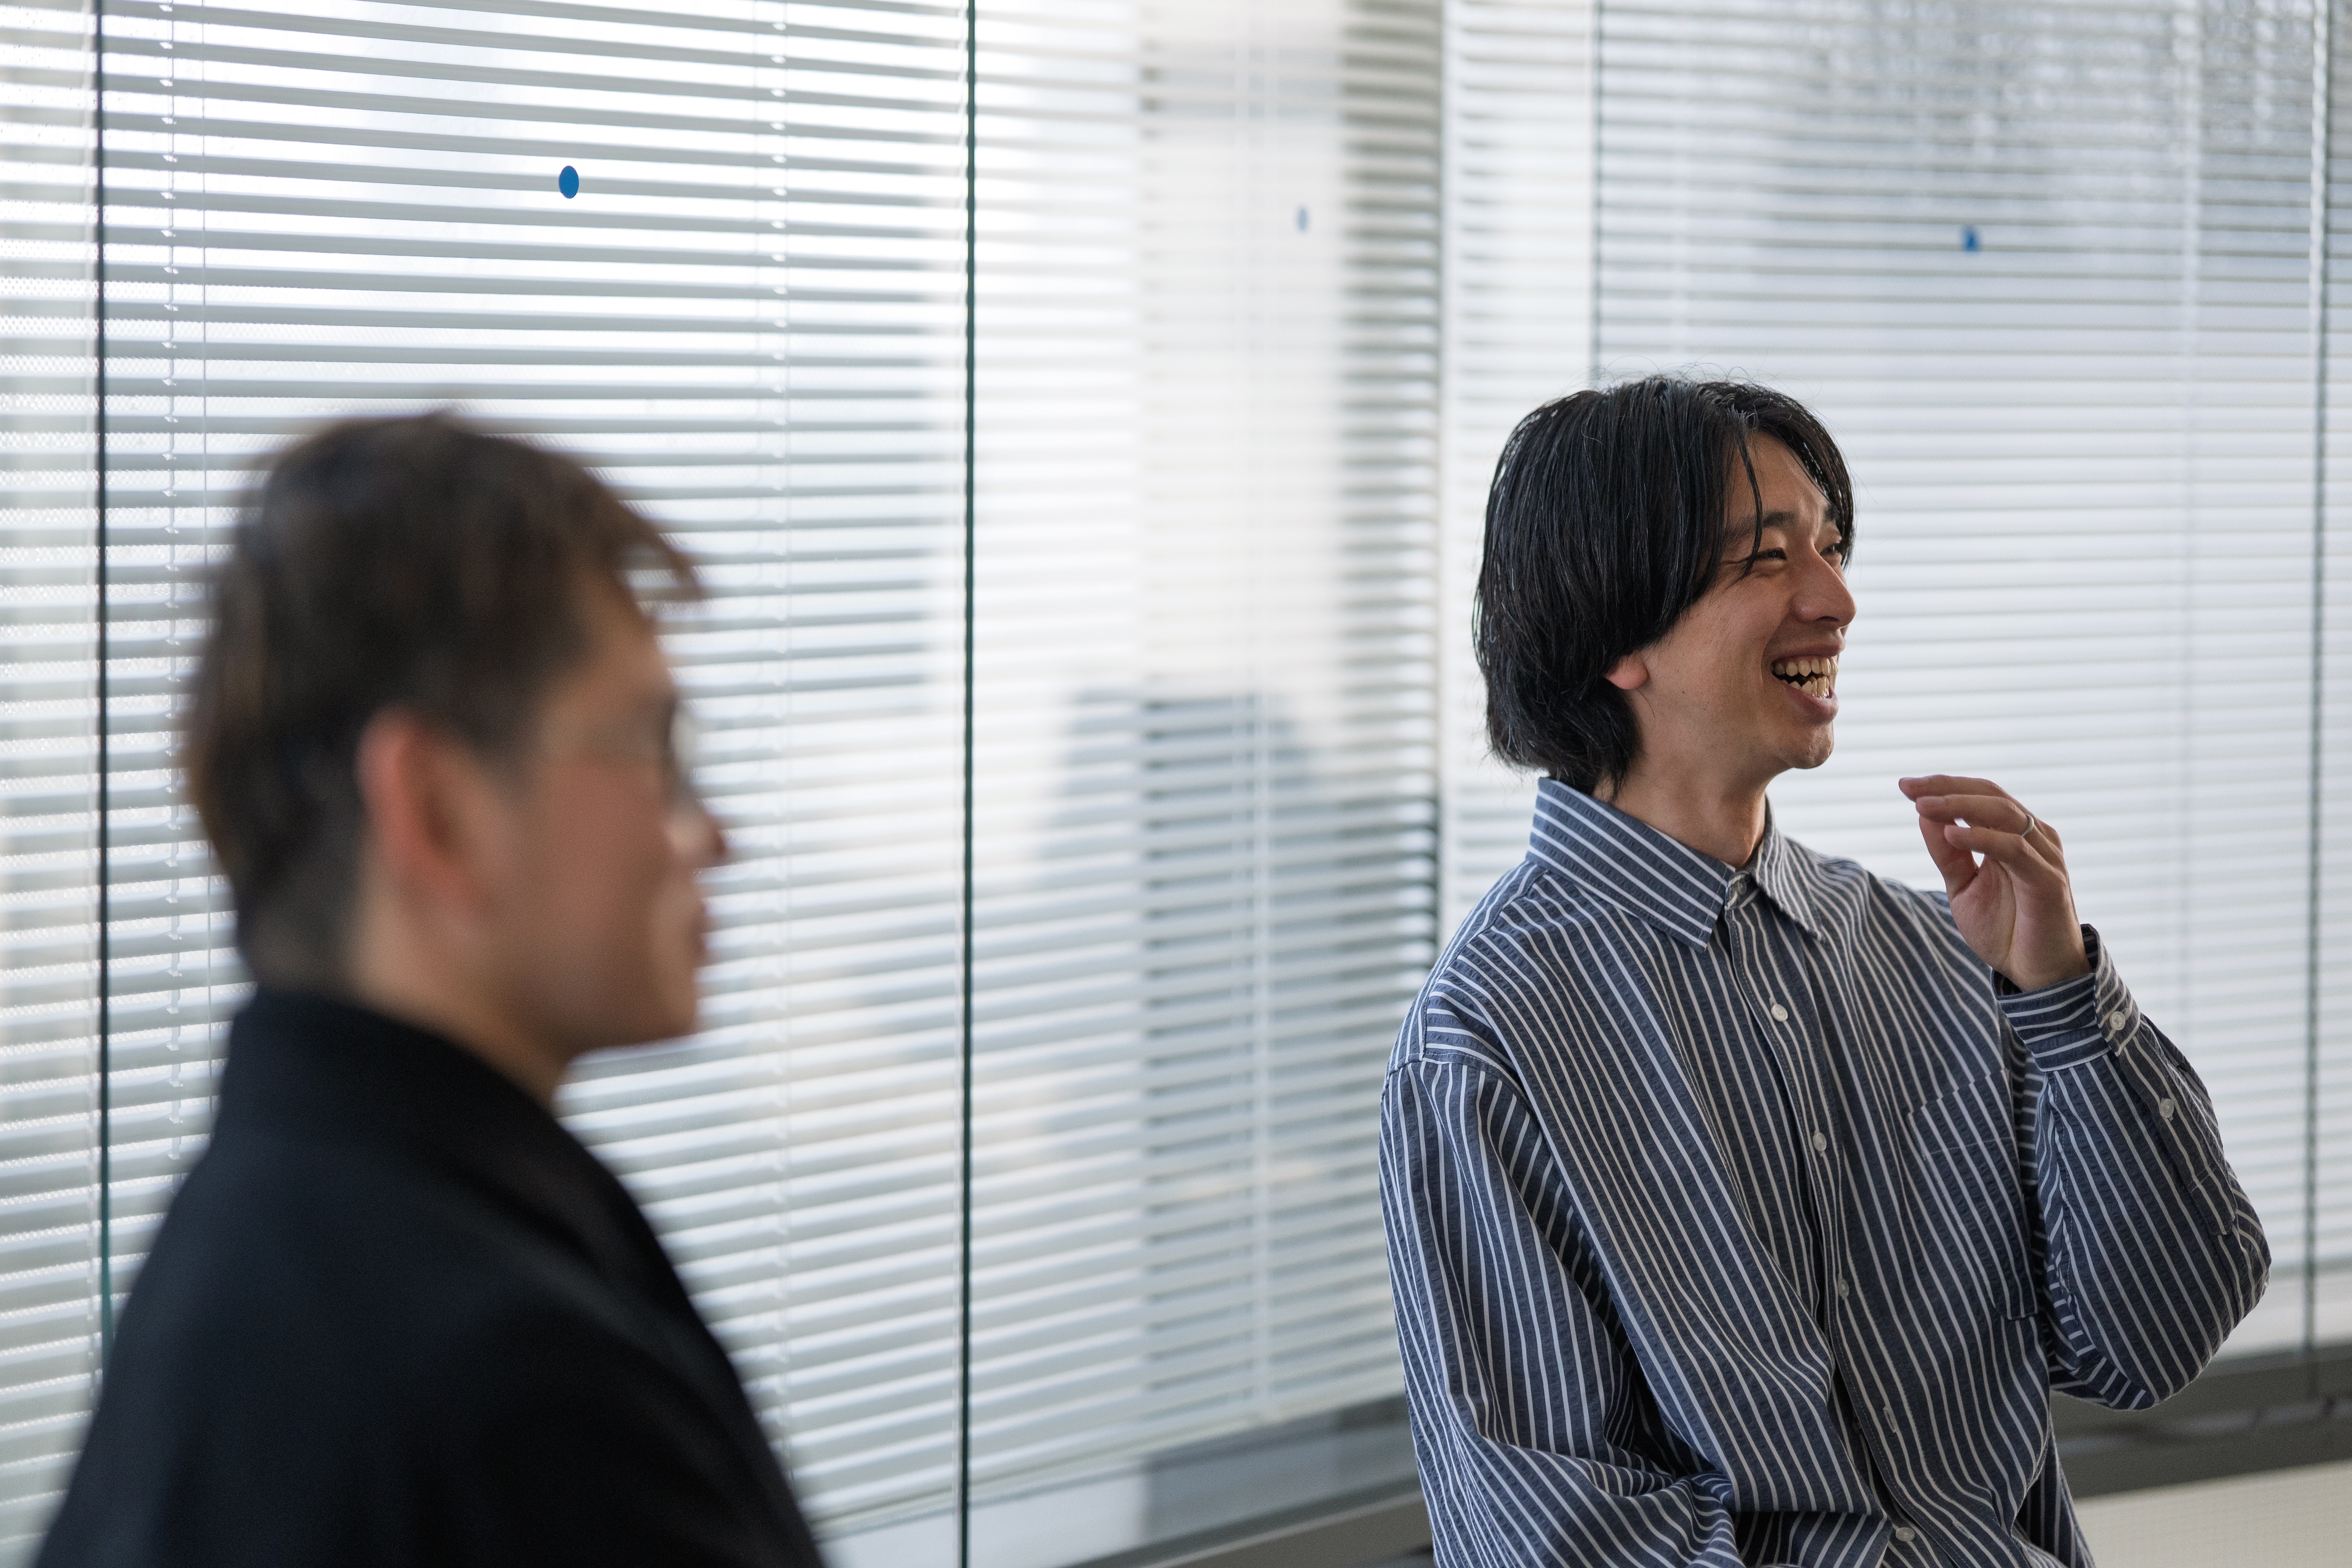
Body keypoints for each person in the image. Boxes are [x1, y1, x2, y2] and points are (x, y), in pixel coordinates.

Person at [1381, 376, 2268, 1567]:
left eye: (1832, 547)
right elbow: (1559, 1537)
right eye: (1766, 558)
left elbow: (2153, 1337)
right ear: (1613, 631)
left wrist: (2063, 1001)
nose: (1836, 599)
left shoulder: (1938, 951)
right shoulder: (1484, 1043)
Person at [38, 416, 824, 1567]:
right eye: (658, 747)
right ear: (438, 810)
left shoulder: (258, 1241)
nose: (714, 834)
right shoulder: (511, 1387)